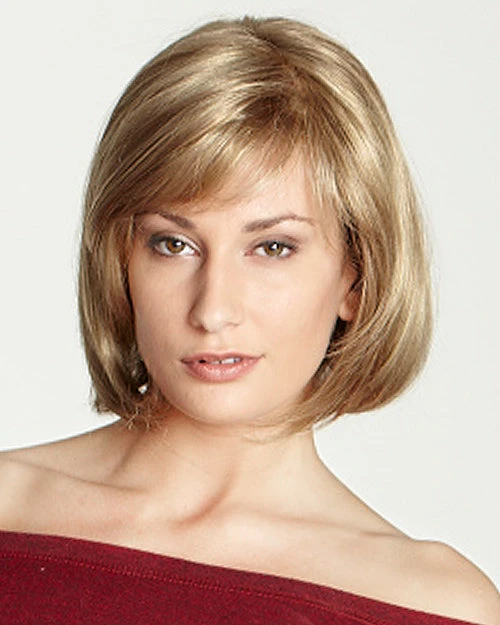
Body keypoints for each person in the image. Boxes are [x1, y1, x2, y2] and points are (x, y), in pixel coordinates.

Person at [0, 15, 498, 625]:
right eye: (173, 244)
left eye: (272, 248)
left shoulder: (426, 604)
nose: (212, 310)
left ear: (356, 276)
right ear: (120, 260)